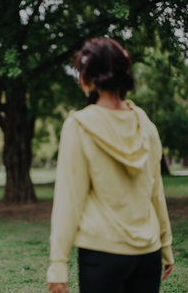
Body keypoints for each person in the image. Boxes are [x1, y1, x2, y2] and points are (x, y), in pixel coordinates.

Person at [47, 38, 174, 293]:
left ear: (88, 77)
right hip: (148, 254)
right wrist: (166, 244)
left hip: (102, 255)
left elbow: (69, 200)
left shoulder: (78, 125)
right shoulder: (146, 125)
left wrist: (58, 265)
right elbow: (156, 191)